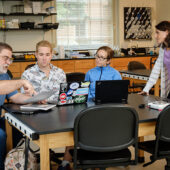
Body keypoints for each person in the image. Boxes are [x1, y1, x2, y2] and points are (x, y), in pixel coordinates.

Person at [0, 42, 36, 170]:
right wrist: (23, 82)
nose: (9, 62)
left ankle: (13, 164)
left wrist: (35, 98)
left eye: (10, 59)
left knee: (18, 128)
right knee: (1, 135)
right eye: (5, 58)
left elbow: (15, 97)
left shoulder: (4, 75)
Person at [139, 21, 170, 98]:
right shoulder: (163, 48)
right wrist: (146, 89)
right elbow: (156, 69)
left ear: (166, 32)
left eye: (157, 33)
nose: (155, 36)